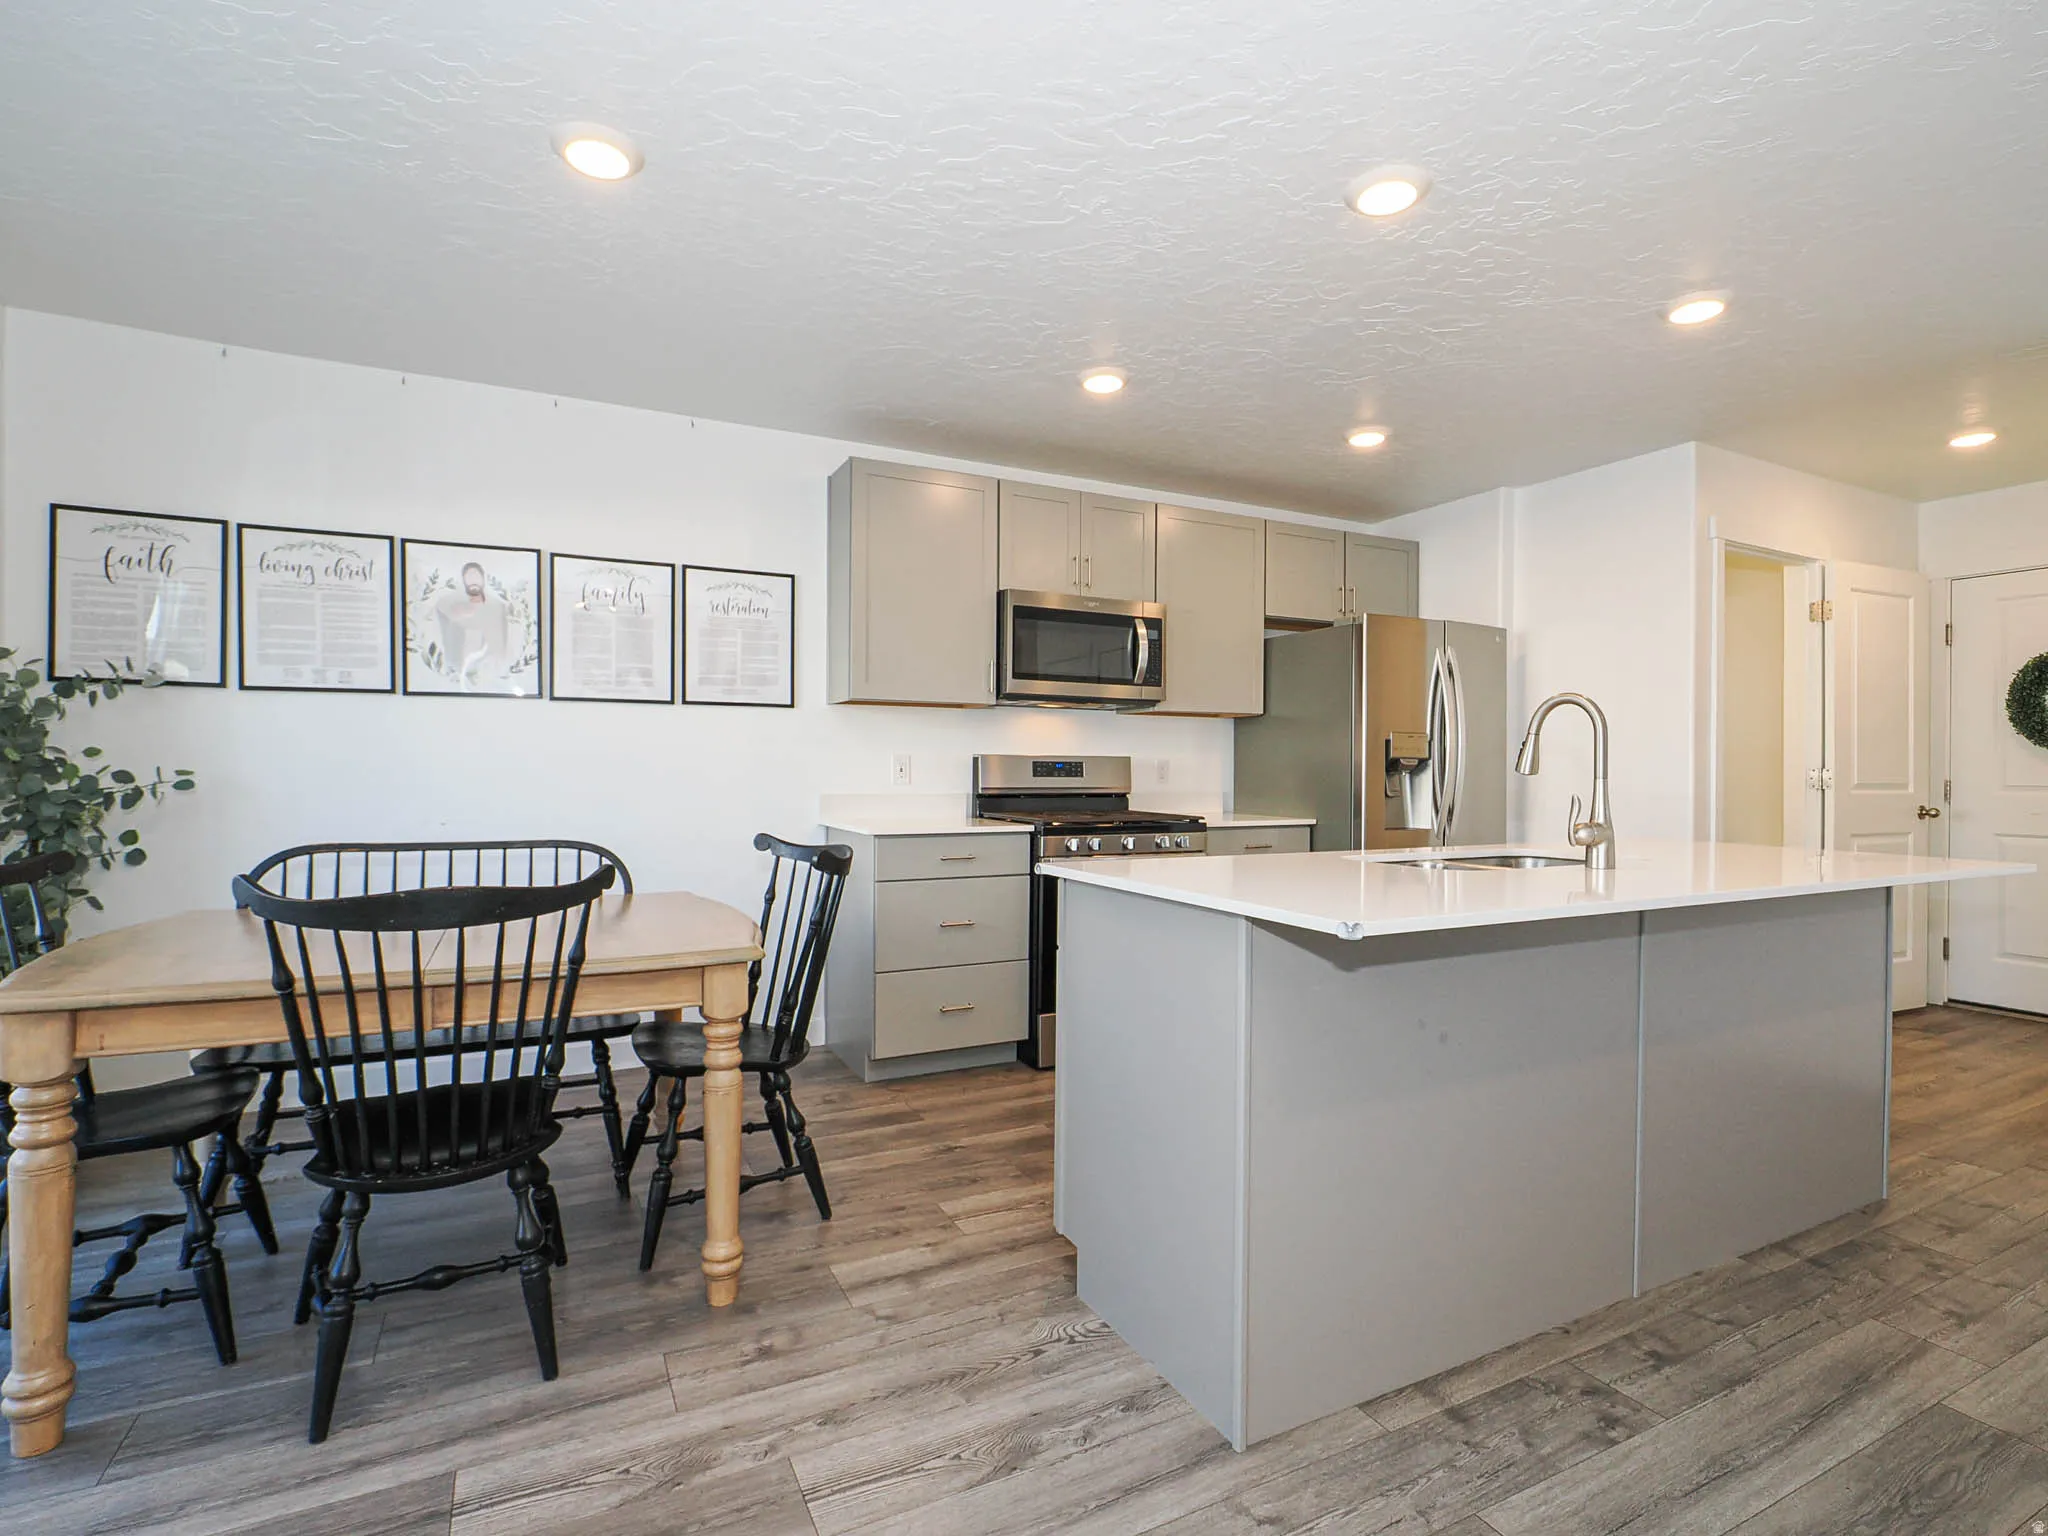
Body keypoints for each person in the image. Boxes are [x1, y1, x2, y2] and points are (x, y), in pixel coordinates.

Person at [433, 561, 513, 686]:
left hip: (490, 665)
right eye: (469, 577)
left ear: (483, 579)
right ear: (464, 580)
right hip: (461, 664)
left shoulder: (497, 606)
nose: (473, 581)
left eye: (476, 577)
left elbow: (502, 637)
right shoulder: (452, 604)